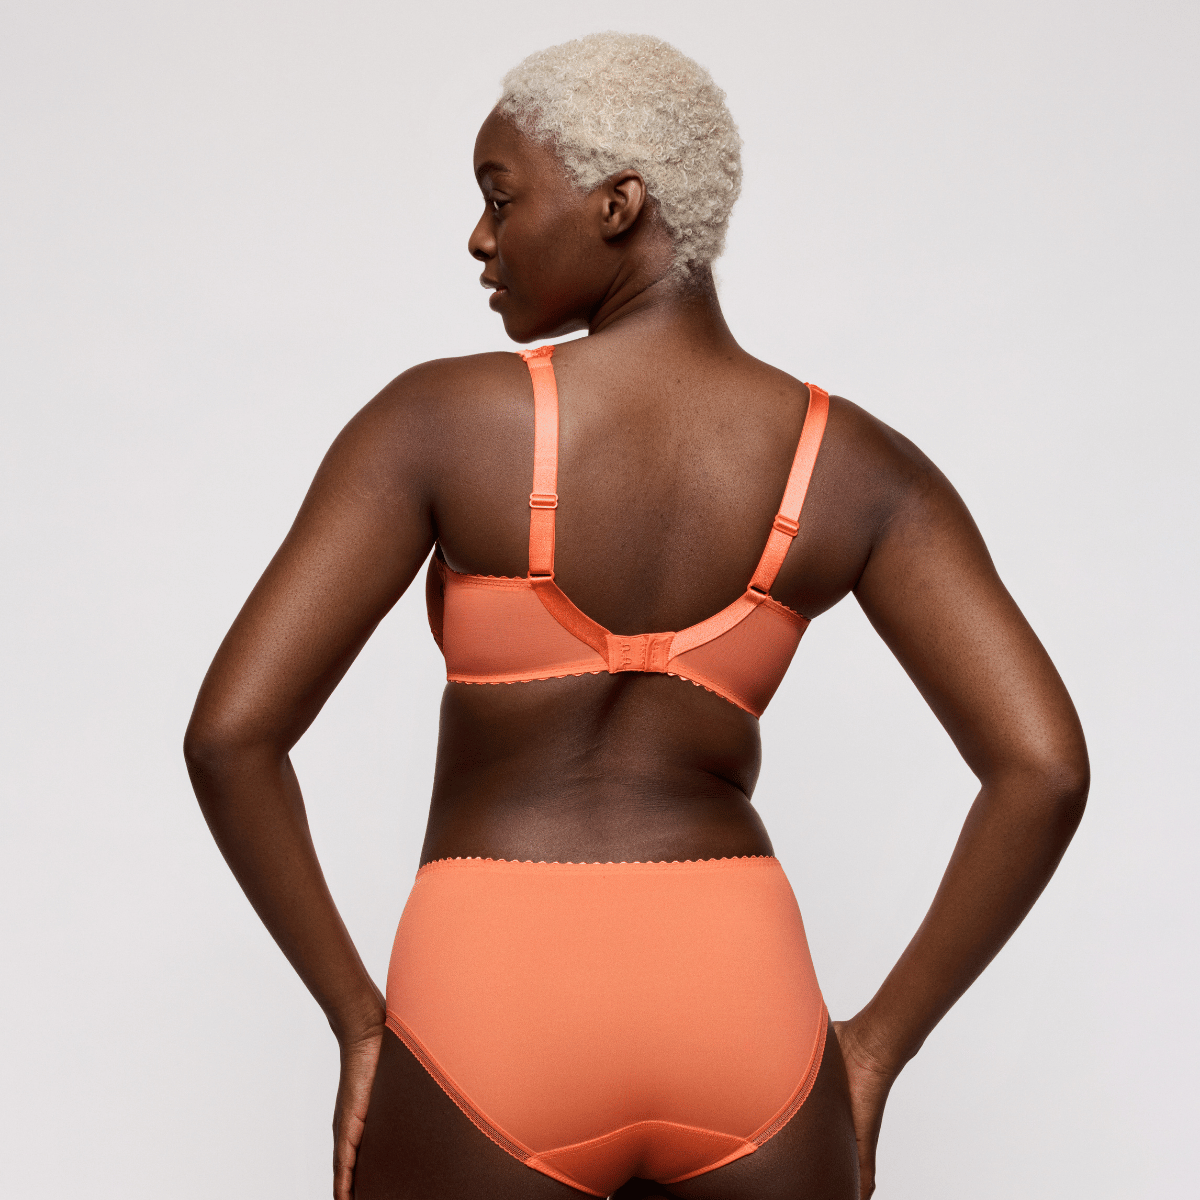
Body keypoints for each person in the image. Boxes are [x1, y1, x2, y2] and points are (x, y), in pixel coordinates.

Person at [184, 31, 1088, 1200]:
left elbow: (231, 737)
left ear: (618, 205)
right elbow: (1043, 768)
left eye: (500, 197)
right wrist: (872, 1052)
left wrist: (360, 1021)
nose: (479, 238)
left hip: (492, 1000)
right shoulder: (860, 468)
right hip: (746, 1017)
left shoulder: (440, 423)